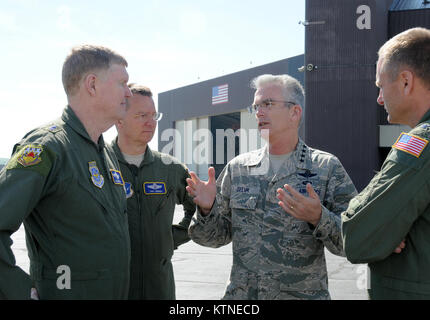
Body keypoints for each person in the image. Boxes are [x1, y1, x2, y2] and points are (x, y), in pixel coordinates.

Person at [186, 74, 357, 300]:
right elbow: (213, 238)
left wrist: (318, 217)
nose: (259, 112)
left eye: (267, 104)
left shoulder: (326, 168)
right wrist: (207, 211)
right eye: (256, 106)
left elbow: (353, 241)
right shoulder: (238, 169)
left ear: (294, 113)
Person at [0, 45, 132, 299]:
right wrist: (19, 291)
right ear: (92, 85)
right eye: (122, 83)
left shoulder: (105, 154)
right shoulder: (47, 148)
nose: (129, 92)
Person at [341, 27, 430, 299]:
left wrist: (381, 230)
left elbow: (358, 237)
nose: (379, 99)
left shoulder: (420, 145)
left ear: (405, 81)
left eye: (381, 86)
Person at [108, 84, 196, 300]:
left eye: (154, 115)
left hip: (159, 288)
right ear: (119, 119)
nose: (151, 122)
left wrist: (173, 237)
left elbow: (198, 207)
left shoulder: (171, 168)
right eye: (141, 115)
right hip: (111, 289)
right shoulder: (97, 163)